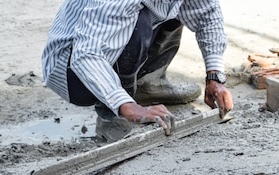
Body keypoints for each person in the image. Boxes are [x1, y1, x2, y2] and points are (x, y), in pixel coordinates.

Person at [41, 0, 233, 137]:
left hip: (96, 48)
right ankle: (111, 113)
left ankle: (148, 84)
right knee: (138, 24)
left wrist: (214, 76)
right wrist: (126, 106)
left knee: (178, 7)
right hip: (70, 71)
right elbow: (86, 56)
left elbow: (207, 13)